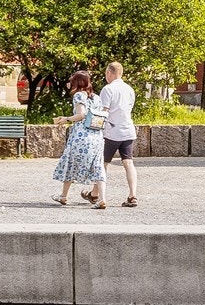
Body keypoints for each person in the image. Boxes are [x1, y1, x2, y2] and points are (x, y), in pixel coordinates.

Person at [51, 70, 106, 206]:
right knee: (98, 166)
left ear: (77, 83)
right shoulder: (96, 98)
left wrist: (66, 119)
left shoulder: (78, 95)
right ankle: (102, 199)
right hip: (97, 136)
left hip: (81, 136)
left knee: (70, 163)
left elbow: (81, 114)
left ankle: (63, 196)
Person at [100, 60, 139, 207]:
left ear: (109, 73)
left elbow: (104, 111)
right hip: (128, 130)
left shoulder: (108, 89)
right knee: (128, 162)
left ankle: (97, 194)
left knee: (103, 164)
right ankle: (132, 195)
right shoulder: (129, 89)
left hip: (111, 131)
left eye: (106, 73)